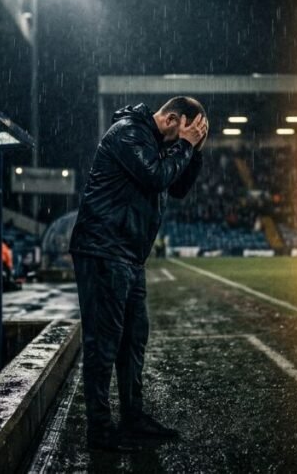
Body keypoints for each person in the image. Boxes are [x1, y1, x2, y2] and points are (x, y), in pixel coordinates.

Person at [69, 96, 208, 451]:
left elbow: (176, 188)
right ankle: (99, 430)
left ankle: (132, 418)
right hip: (103, 250)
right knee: (103, 342)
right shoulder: (129, 133)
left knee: (132, 341)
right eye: (186, 131)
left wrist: (195, 151)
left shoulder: (158, 143)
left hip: (129, 255)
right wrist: (185, 147)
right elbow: (156, 176)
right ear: (173, 119)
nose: (184, 141)